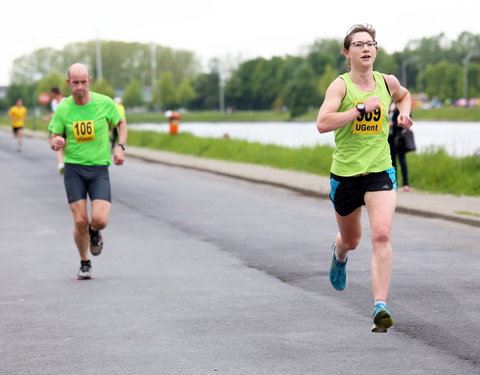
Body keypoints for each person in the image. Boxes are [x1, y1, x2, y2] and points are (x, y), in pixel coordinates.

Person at [316, 24, 413, 332]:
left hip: (380, 171)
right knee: (352, 240)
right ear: (348, 53)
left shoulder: (387, 82)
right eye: (358, 44)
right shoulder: (340, 87)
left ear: (376, 49)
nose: (365, 48)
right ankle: (339, 255)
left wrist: (403, 114)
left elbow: (404, 95)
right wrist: (359, 109)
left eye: (370, 43)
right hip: (345, 175)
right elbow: (322, 123)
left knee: (382, 234)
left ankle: (380, 306)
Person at [49, 63, 127, 280]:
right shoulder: (64, 108)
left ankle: (95, 232)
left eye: (83, 82)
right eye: (75, 83)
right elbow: (53, 137)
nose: (80, 87)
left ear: (89, 81)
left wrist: (120, 147)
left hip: (99, 169)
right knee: (80, 220)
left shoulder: (104, 103)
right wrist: (56, 142)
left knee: (99, 220)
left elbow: (121, 123)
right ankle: (85, 262)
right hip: (74, 169)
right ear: (69, 83)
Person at [388, 104, 411, 192]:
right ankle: (395, 183)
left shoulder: (403, 107)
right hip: (390, 138)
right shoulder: (390, 105)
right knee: (392, 162)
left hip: (399, 138)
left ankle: (406, 184)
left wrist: (392, 124)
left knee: (402, 160)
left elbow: (406, 121)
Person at [43, 87, 66, 174]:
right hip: (56, 127)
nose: (50, 95)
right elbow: (53, 113)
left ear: (55, 93)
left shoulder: (65, 100)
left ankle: (65, 164)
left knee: (65, 146)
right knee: (58, 145)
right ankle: (61, 166)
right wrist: (47, 118)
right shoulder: (53, 102)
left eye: (51, 93)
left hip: (65, 127)